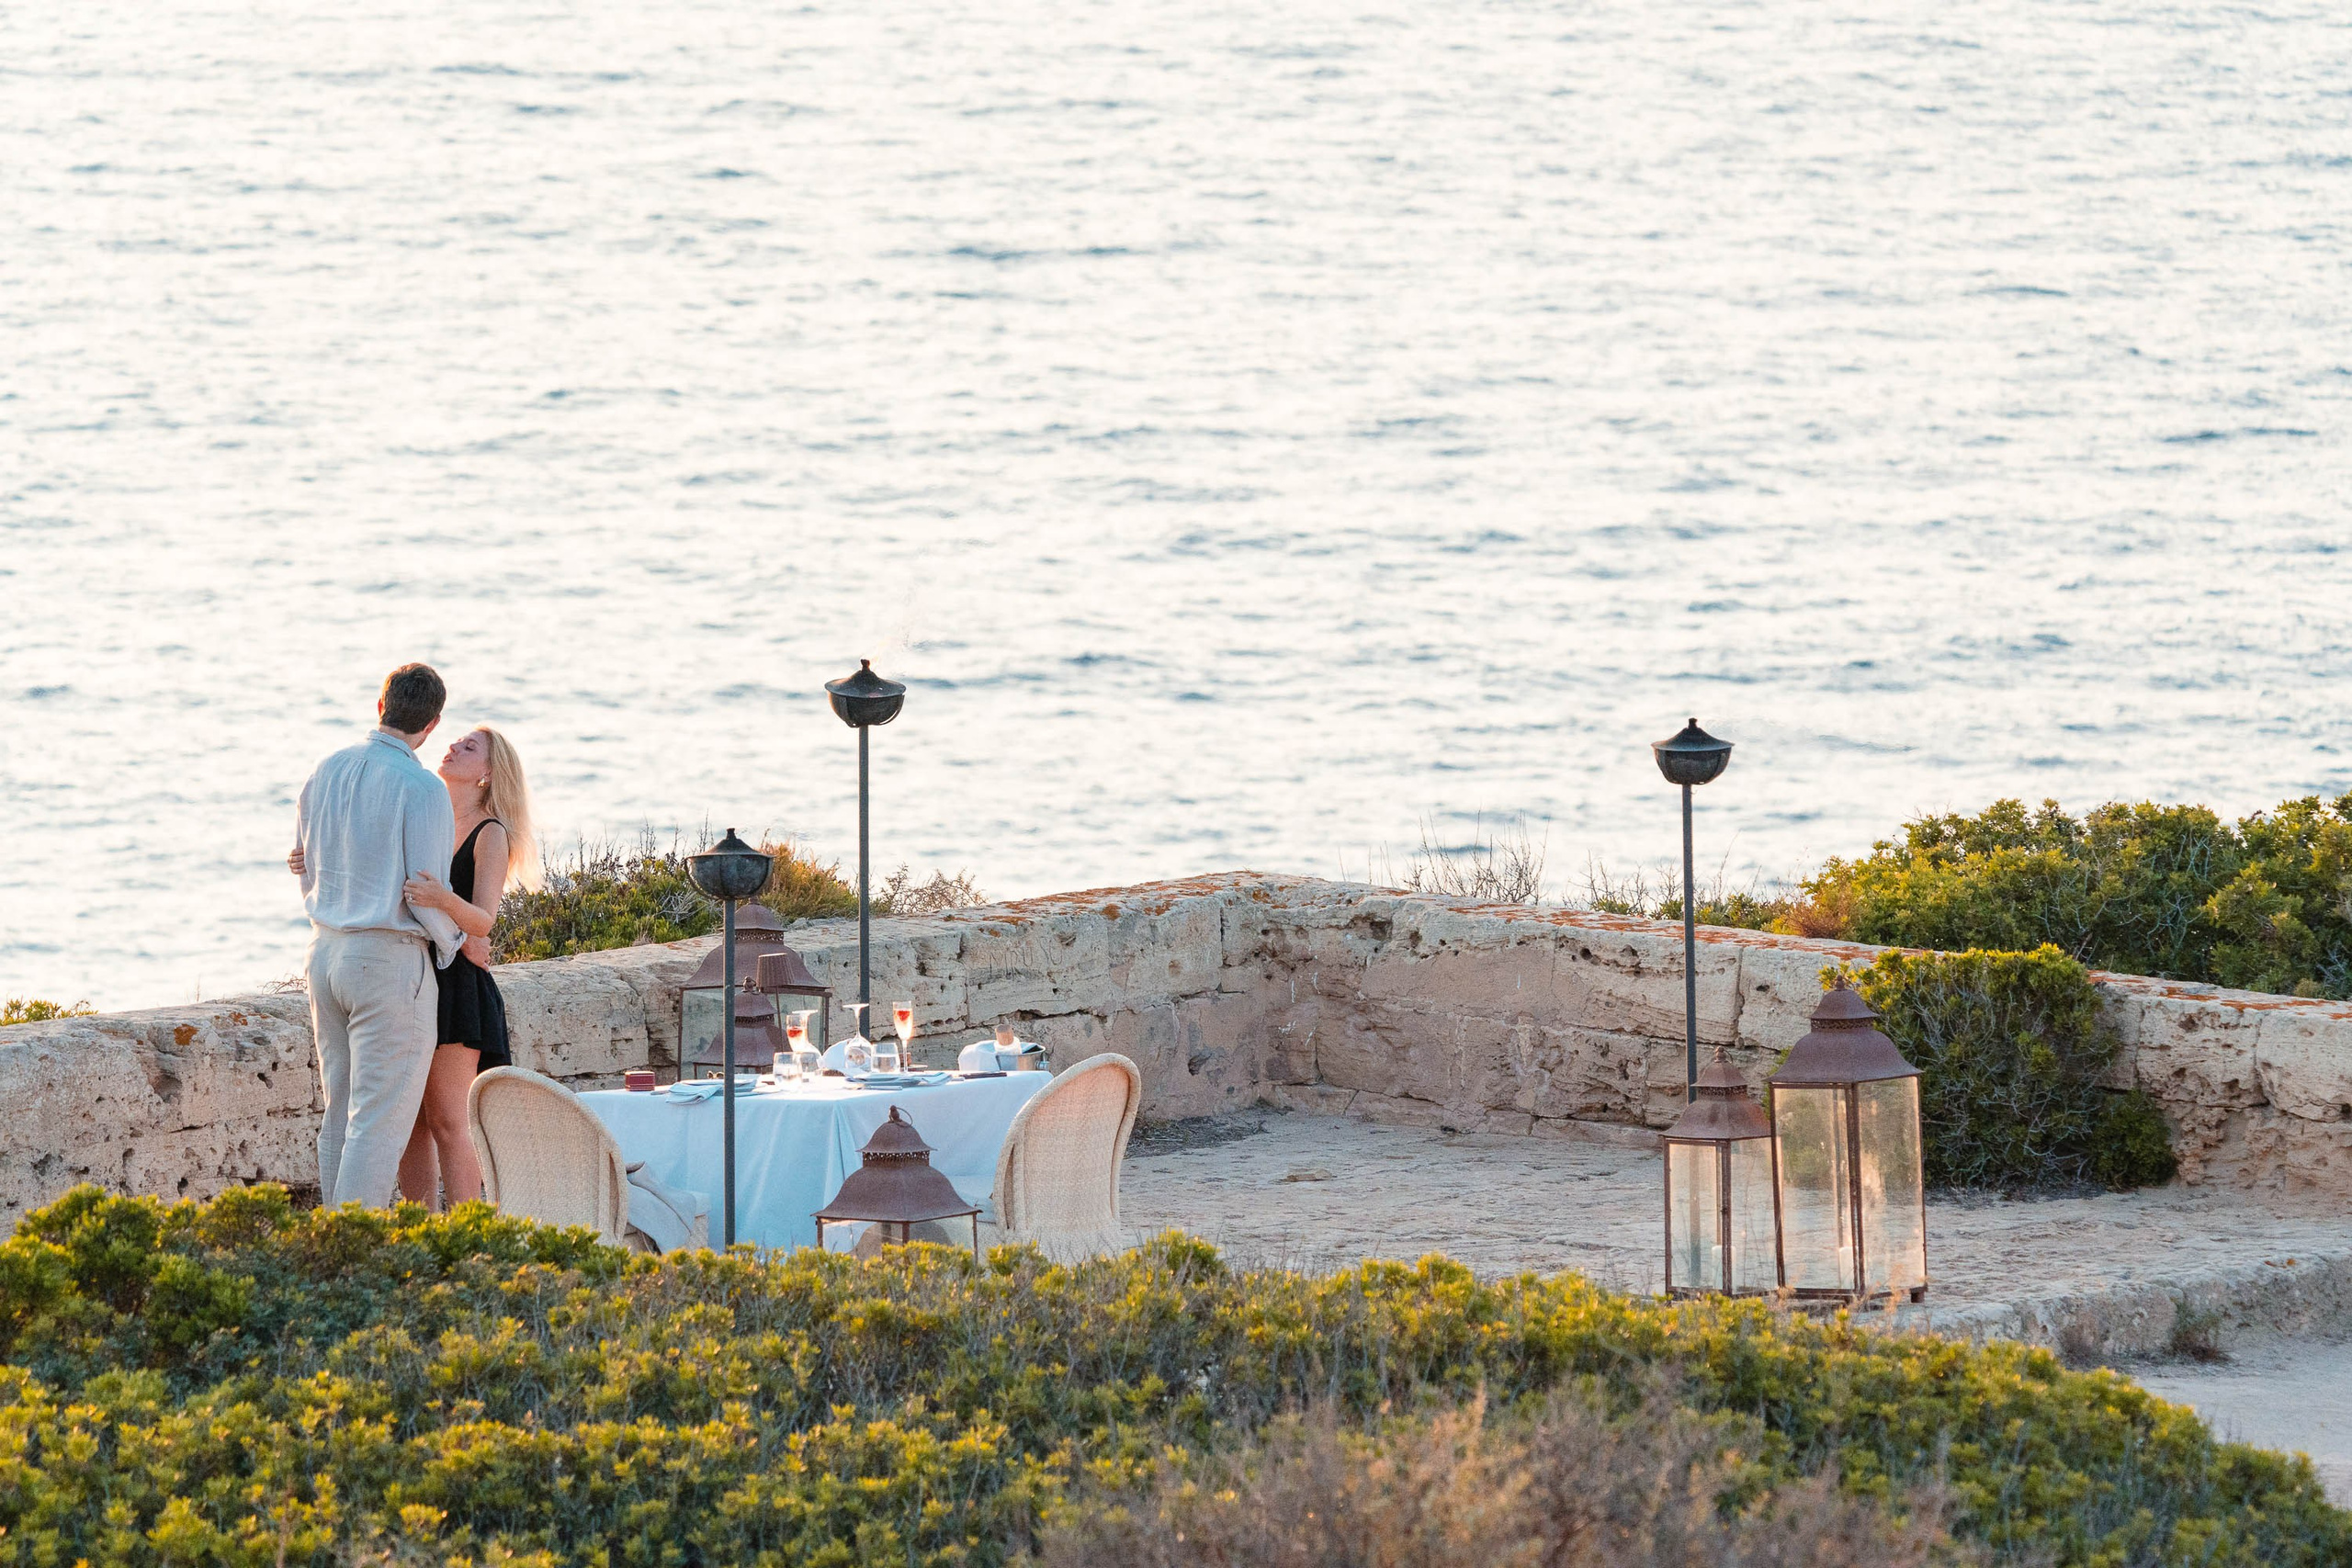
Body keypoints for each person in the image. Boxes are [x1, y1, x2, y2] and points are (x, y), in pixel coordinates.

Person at [288, 664, 464, 1208]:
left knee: (338, 1109)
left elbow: (304, 867)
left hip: (325, 952)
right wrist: (454, 941)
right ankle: (352, 1247)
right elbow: (425, 889)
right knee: (379, 1118)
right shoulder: (422, 787)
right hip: (388, 960)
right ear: (432, 724)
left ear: (379, 703)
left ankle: (332, 1238)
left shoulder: (326, 770)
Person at [394, 725, 540, 1210]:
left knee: (449, 1121)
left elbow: (483, 920)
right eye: (456, 741)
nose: (453, 746)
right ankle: (420, 1231)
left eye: (469, 747)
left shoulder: (491, 833)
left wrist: (441, 898)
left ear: (487, 774)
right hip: (414, 977)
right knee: (409, 1120)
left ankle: (465, 1234)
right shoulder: (429, 816)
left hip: (458, 989)